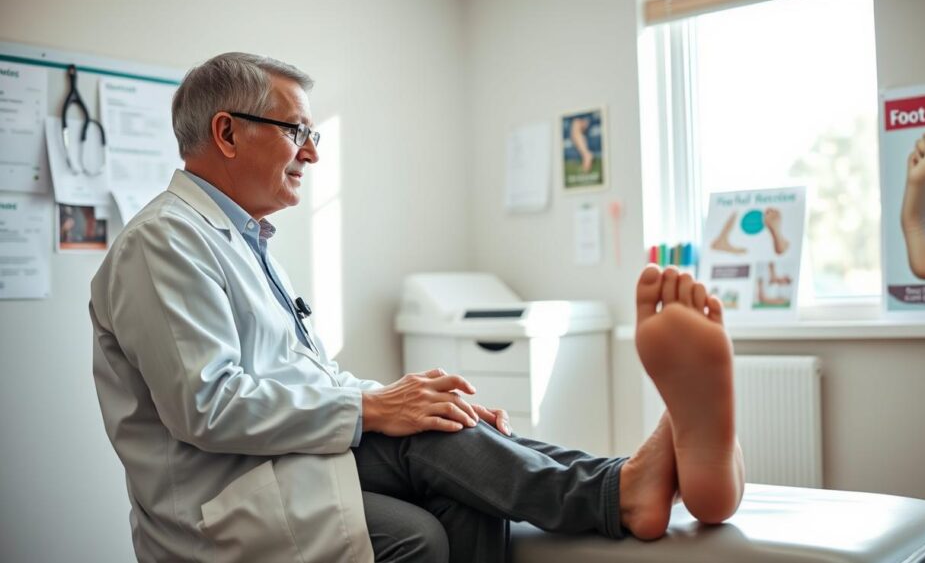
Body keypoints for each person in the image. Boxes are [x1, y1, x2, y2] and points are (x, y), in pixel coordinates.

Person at [90, 52, 745, 563]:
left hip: (284, 463)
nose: (313, 152)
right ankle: (622, 488)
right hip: (221, 504)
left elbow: (306, 380)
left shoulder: (243, 240)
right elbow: (207, 405)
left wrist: (405, 398)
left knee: (448, 439)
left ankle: (624, 481)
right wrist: (373, 406)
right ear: (227, 133)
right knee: (423, 524)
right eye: (298, 131)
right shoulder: (163, 243)